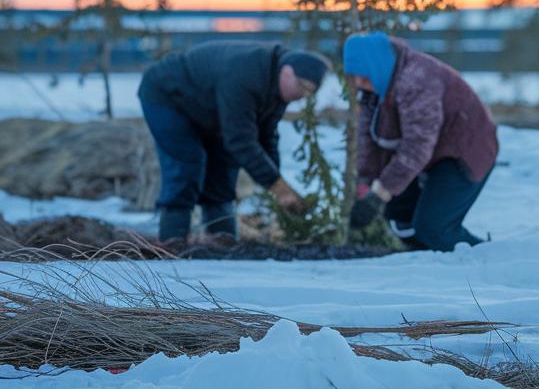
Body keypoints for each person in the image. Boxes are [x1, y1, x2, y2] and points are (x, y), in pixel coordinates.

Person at [137, 41, 328, 244]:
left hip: (210, 109)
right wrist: (277, 186)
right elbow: (240, 139)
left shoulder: (276, 88)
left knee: (224, 166)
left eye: (309, 93)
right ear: (287, 72)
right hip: (167, 95)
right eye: (302, 87)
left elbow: (266, 136)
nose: (302, 97)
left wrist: (275, 181)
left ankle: (223, 243)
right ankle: (172, 242)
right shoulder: (246, 74)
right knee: (187, 162)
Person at [343, 32, 498, 252]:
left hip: (466, 151)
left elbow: (417, 145)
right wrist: (365, 186)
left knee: (434, 228)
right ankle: (429, 265)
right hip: (433, 154)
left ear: (376, 65)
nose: (361, 84)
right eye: (355, 78)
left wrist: (379, 194)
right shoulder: (376, 87)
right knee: (399, 216)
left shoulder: (417, 79)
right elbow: (368, 140)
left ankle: (487, 256)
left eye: (365, 77)